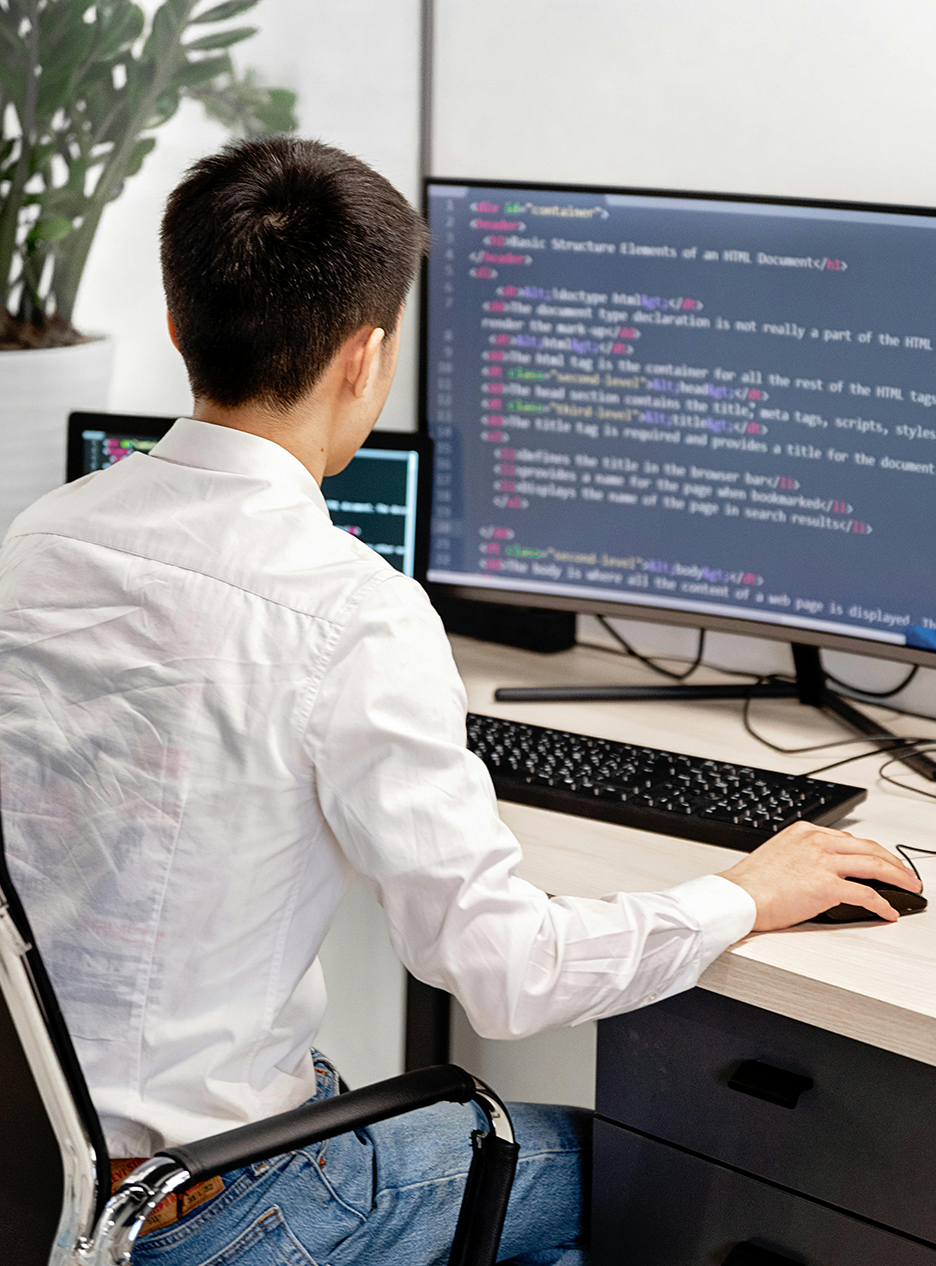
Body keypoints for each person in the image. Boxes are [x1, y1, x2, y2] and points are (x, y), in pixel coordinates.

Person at [0, 137, 920, 1266]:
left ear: (181, 326)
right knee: (636, 1167)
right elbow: (505, 973)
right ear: (367, 357)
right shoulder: (351, 612)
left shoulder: (40, 539)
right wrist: (742, 892)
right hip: (217, 1211)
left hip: (46, 1170)